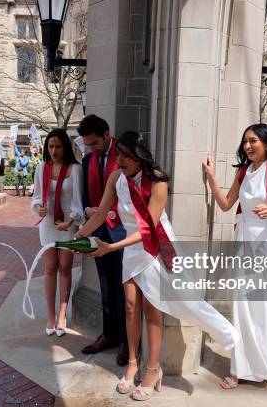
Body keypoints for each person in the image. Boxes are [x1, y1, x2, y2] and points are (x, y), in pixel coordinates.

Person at [77, 131, 239, 401]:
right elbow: (102, 213)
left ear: (140, 156)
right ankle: (133, 363)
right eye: (118, 155)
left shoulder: (158, 181)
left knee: (154, 308)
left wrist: (111, 248)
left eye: (126, 156)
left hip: (155, 246)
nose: (121, 161)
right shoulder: (116, 178)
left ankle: (153, 369)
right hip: (131, 247)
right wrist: (80, 235)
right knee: (130, 306)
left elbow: (148, 229)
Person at [203, 123, 267, 389]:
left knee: (264, 309)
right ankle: (239, 369)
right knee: (241, 308)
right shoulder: (244, 172)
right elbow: (226, 204)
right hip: (242, 243)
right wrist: (211, 178)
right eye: (245, 142)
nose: (248, 146)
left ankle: (261, 366)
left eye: (253, 141)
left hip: (266, 245)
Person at [77, 115, 128, 366]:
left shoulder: (125, 156)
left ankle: (127, 342)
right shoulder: (88, 160)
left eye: (95, 143)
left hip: (123, 233)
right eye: (88, 145)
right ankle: (109, 334)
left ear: (107, 135)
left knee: (124, 291)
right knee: (106, 287)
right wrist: (88, 211)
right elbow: (86, 195)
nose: (92, 149)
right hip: (99, 232)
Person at [30, 129, 83, 337]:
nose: (54, 150)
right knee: (50, 267)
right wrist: (38, 208)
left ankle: (62, 313)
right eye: (50, 146)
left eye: (58, 146)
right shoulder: (42, 167)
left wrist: (71, 221)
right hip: (48, 224)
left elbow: (78, 201)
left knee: (65, 267)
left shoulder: (75, 169)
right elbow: (36, 196)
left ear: (65, 147)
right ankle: (50, 315)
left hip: (67, 225)